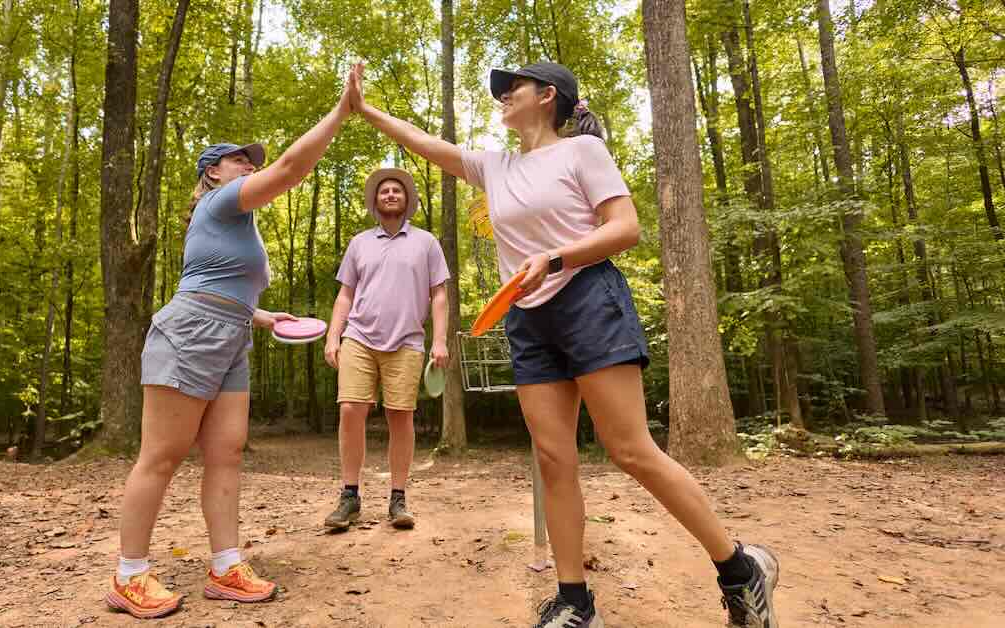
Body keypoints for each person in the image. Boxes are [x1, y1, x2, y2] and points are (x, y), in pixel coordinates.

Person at [348, 62, 779, 628]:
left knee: (629, 450)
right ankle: (575, 602)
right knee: (554, 460)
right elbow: (426, 143)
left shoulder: (582, 153)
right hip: (527, 319)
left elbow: (625, 228)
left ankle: (739, 571)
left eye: (513, 88)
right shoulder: (495, 167)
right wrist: (364, 109)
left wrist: (555, 257)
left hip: (587, 300)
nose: (502, 96)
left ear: (547, 96)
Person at [105, 66, 361, 619]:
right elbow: (293, 167)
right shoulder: (221, 203)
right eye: (239, 159)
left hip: (233, 334)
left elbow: (222, 284)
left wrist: (264, 316)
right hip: (191, 333)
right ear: (212, 173)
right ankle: (129, 575)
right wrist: (340, 112)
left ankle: (225, 566)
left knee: (226, 454)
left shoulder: (236, 222)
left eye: (252, 159)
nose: (251, 164)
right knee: (162, 456)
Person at [322, 168, 451, 531]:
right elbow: (345, 293)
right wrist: (334, 335)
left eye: (397, 190)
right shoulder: (359, 243)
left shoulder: (426, 242)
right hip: (359, 337)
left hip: (407, 340)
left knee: (400, 416)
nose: (391, 194)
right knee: (350, 409)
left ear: (407, 200)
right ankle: (349, 496)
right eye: (384, 191)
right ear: (375, 202)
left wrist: (439, 340)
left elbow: (439, 294)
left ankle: (398, 498)